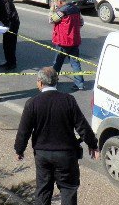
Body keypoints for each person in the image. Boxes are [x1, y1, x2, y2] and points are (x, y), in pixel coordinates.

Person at [14, 67, 99, 205]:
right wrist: (93, 145)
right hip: (66, 155)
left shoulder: (32, 103)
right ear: (56, 82)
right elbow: (82, 126)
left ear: (40, 83)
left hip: (42, 155)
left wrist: (19, 150)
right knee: (68, 189)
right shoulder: (68, 100)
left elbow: (24, 130)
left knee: (43, 190)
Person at [49, 0, 85, 90]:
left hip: (63, 42)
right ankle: (79, 84)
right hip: (75, 41)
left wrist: (52, 9)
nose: (57, 6)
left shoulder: (62, 11)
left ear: (60, 2)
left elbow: (51, 20)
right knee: (75, 63)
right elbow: (81, 22)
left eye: (56, 4)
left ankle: (53, 83)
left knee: (57, 63)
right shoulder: (76, 9)